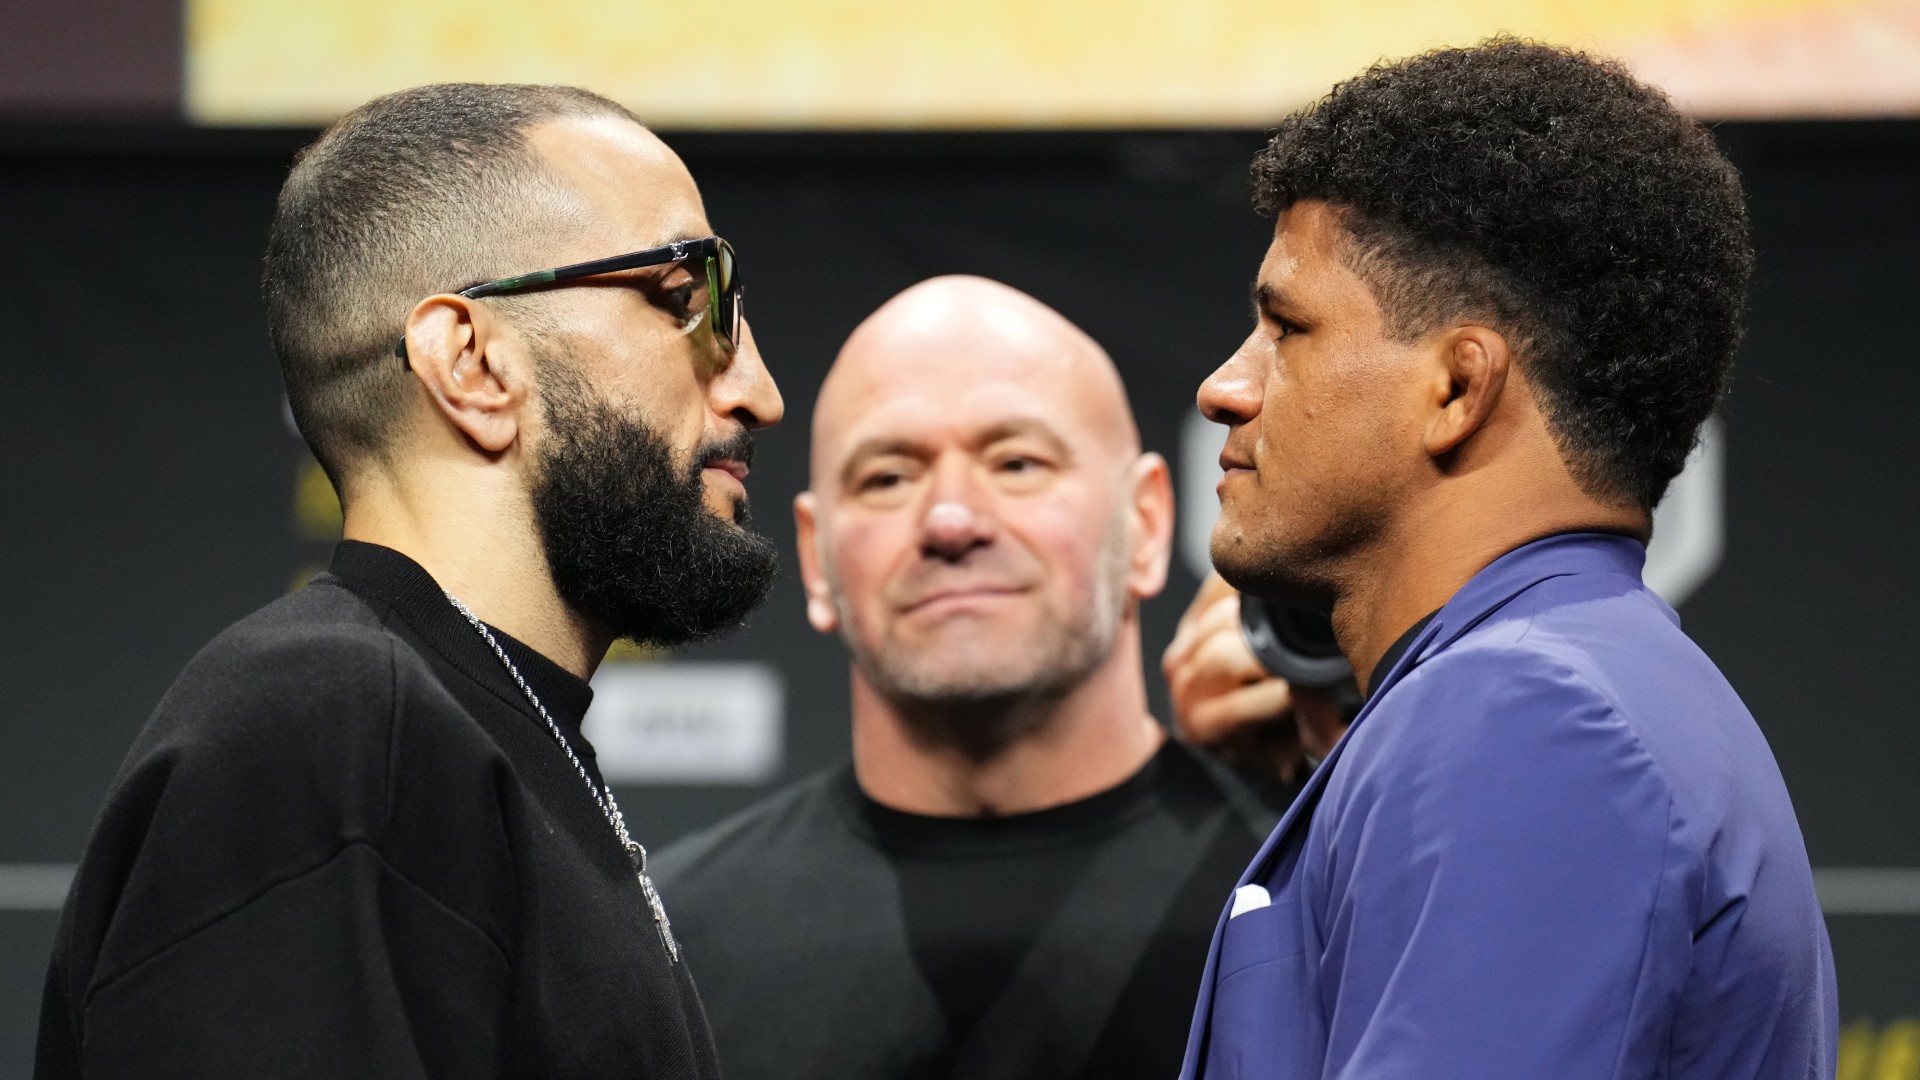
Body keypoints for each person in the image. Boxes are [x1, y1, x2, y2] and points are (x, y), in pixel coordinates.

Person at [37, 83, 782, 1079]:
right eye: (689, 297)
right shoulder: (336, 723)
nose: (758, 391)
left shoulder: (468, 733)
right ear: (471, 362)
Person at [1179, 40, 1837, 1080]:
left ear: (1455, 389)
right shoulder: (1584, 686)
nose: (1226, 386)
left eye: (1285, 328)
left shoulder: (1526, 718)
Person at [653, 276, 1277, 1080]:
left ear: (1148, 523)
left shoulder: (1304, 897)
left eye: (1016, 462)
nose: (951, 519)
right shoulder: (668, 953)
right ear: (816, 559)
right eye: (888, 477)